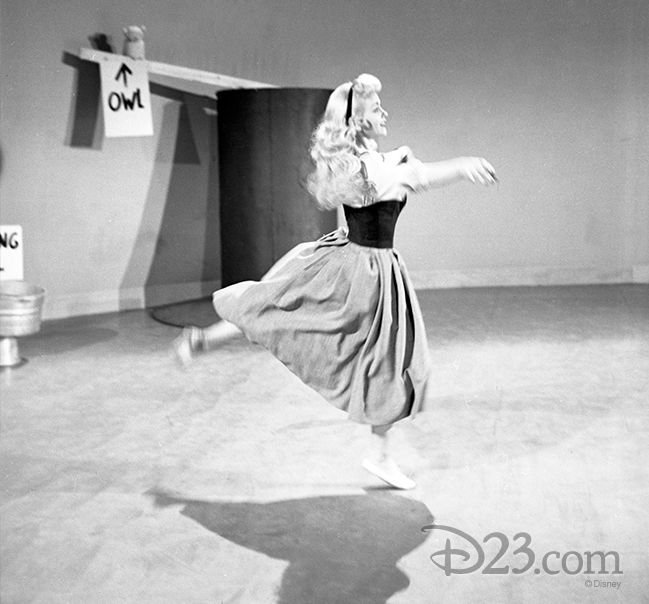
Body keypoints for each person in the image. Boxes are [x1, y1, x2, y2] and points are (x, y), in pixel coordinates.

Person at [173, 73, 497, 489]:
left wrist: (407, 158)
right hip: (371, 273)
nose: (385, 113)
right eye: (377, 108)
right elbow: (426, 175)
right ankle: (380, 456)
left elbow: (393, 173)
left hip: (346, 257)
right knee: (389, 361)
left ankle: (201, 340)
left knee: (278, 307)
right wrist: (464, 165)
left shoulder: (354, 164)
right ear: (359, 122)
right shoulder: (385, 170)